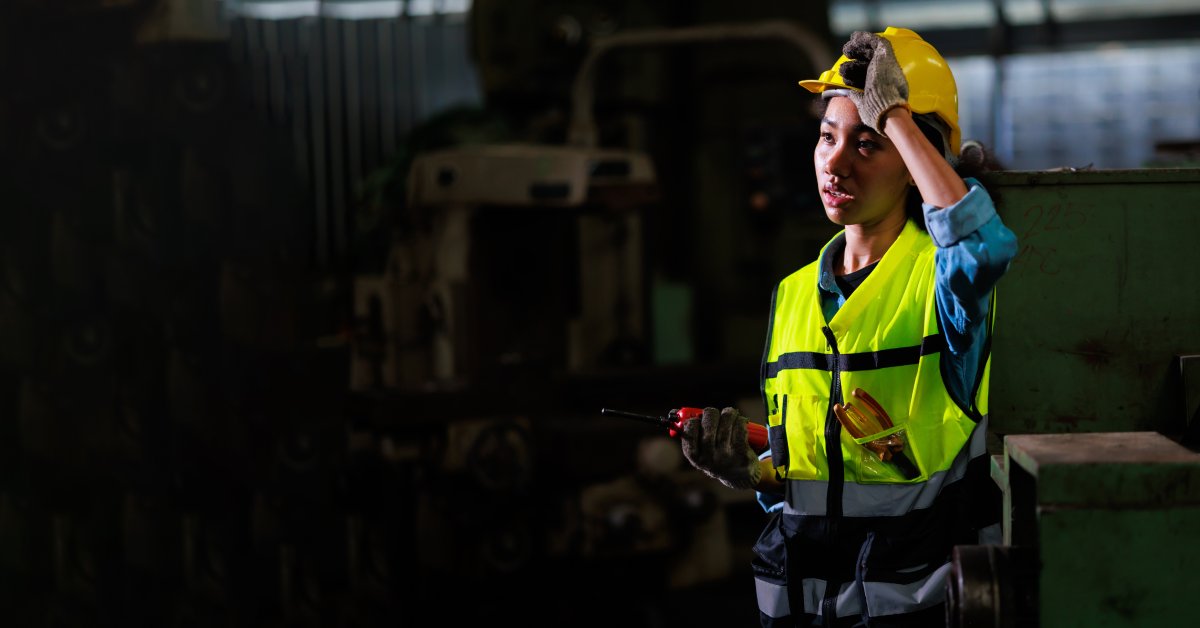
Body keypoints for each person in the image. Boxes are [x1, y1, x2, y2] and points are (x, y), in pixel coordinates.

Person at [678, 26, 1018, 627]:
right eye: (827, 137)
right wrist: (751, 474)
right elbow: (813, 467)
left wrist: (896, 118)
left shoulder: (943, 281)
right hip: (801, 606)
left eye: (867, 144)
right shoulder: (794, 295)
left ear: (916, 161)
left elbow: (986, 247)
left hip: (914, 604)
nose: (835, 162)